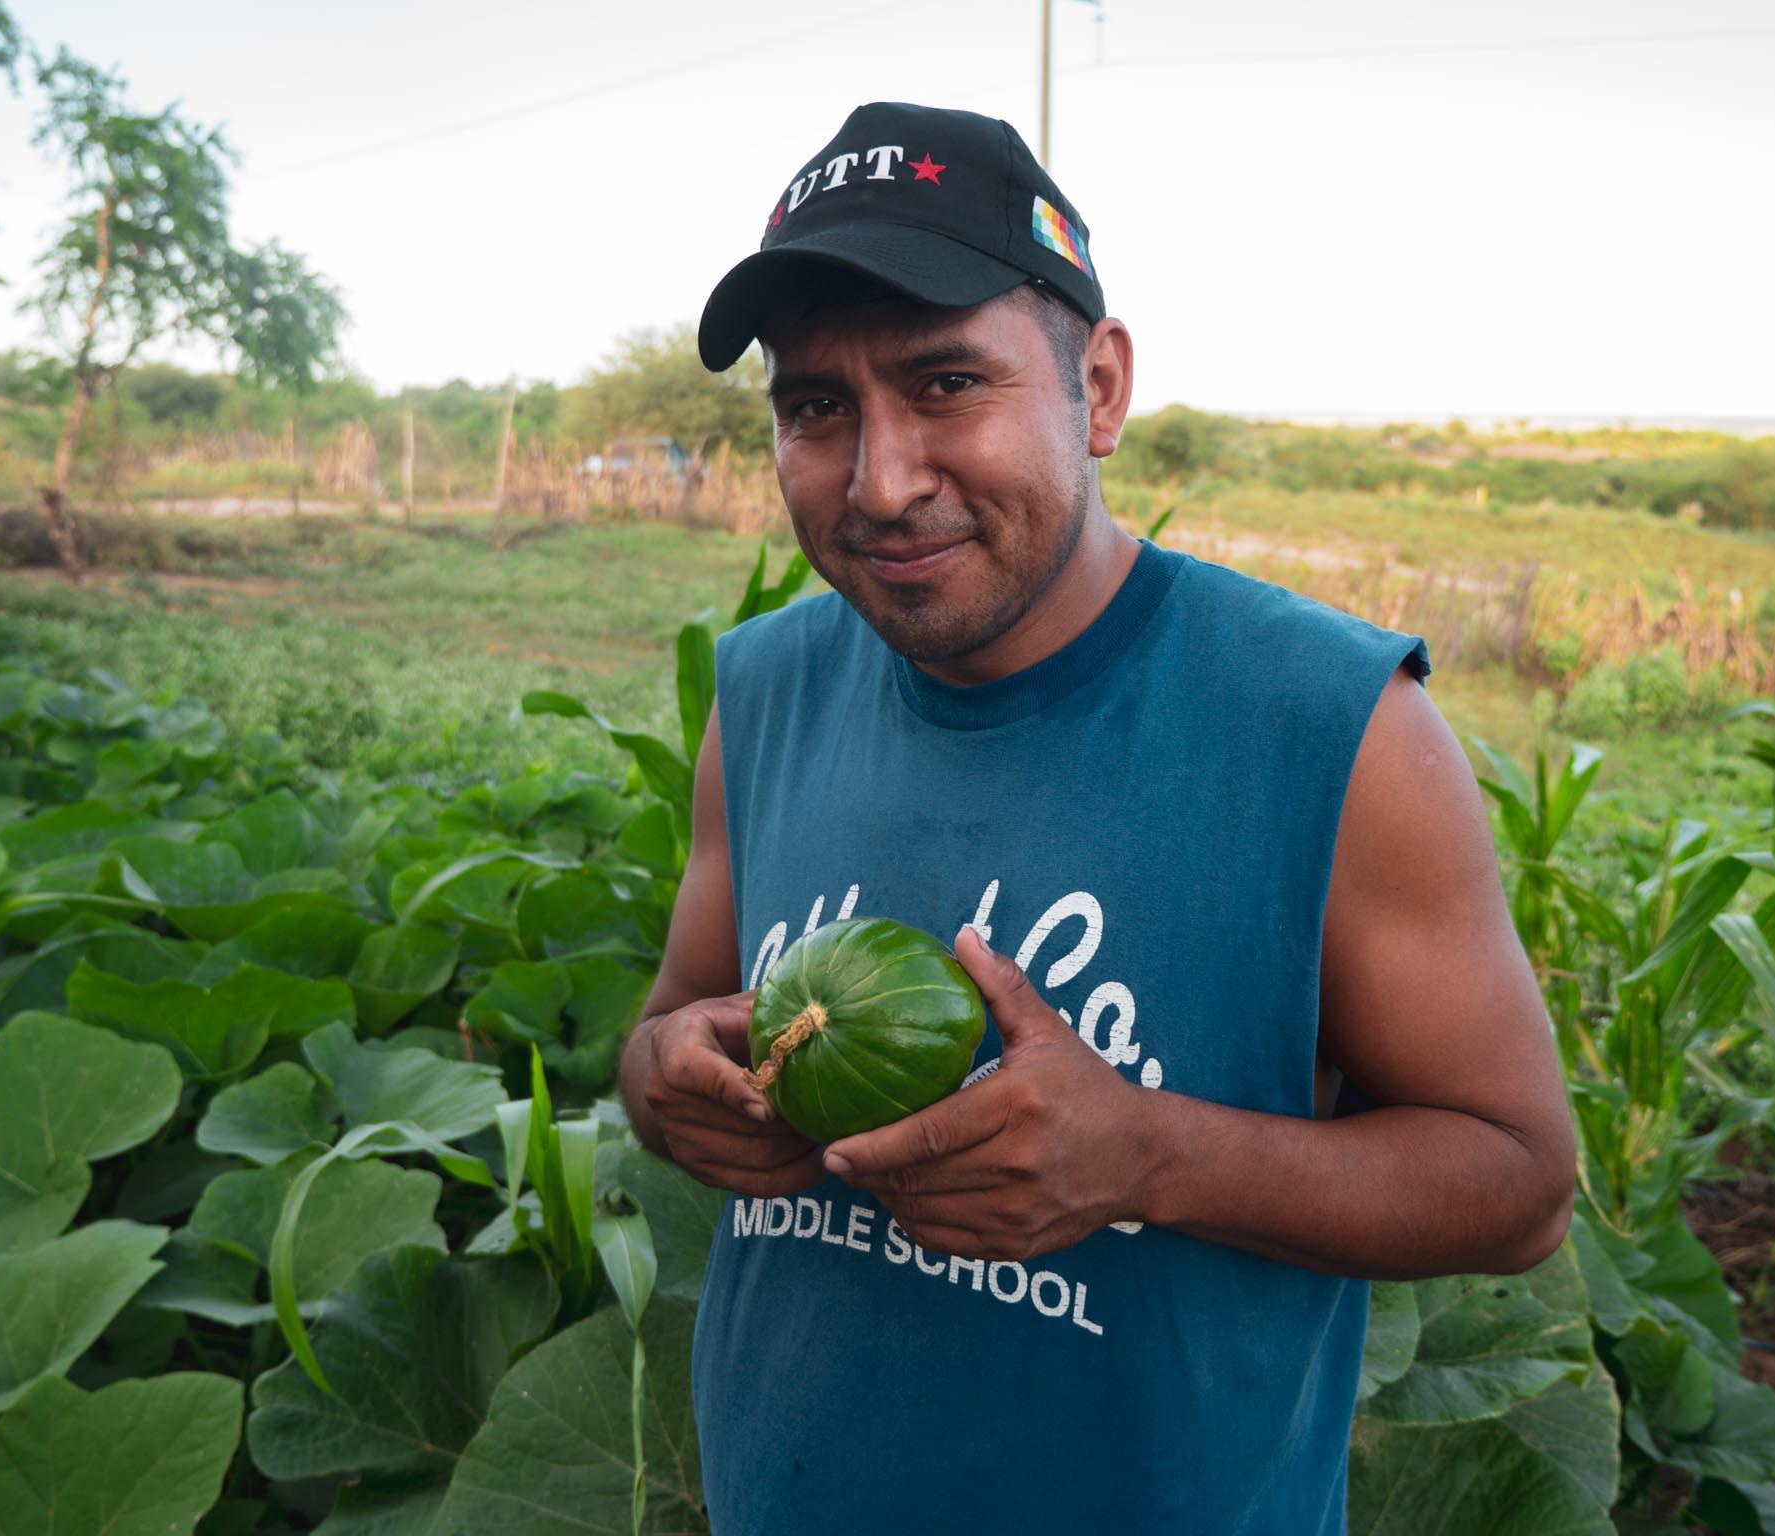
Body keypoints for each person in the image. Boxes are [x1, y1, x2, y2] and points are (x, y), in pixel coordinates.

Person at [618, 100, 1575, 1534]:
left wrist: (1147, 1153)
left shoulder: (1330, 726)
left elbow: (1517, 1186)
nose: (882, 480)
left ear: (1102, 388)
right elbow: (661, 1036)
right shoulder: (763, 690)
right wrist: (670, 1081)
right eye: (818, 407)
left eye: (946, 383)